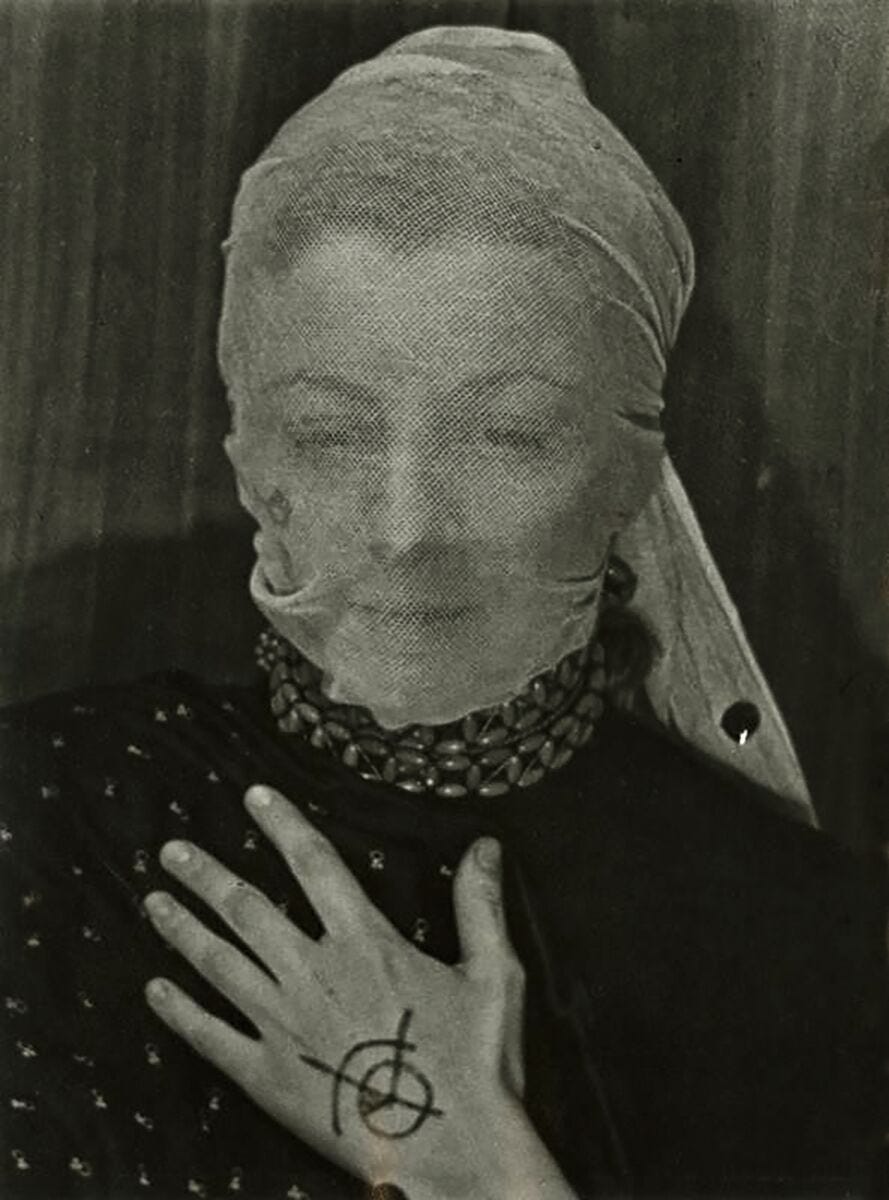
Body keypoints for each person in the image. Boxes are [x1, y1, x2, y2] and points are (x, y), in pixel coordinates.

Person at [1, 25, 886, 1200]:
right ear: (250, 458)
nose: (408, 528)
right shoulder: (44, 814)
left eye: (506, 435)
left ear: (628, 474)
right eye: (329, 433)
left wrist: (472, 1162)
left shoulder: (810, 945)